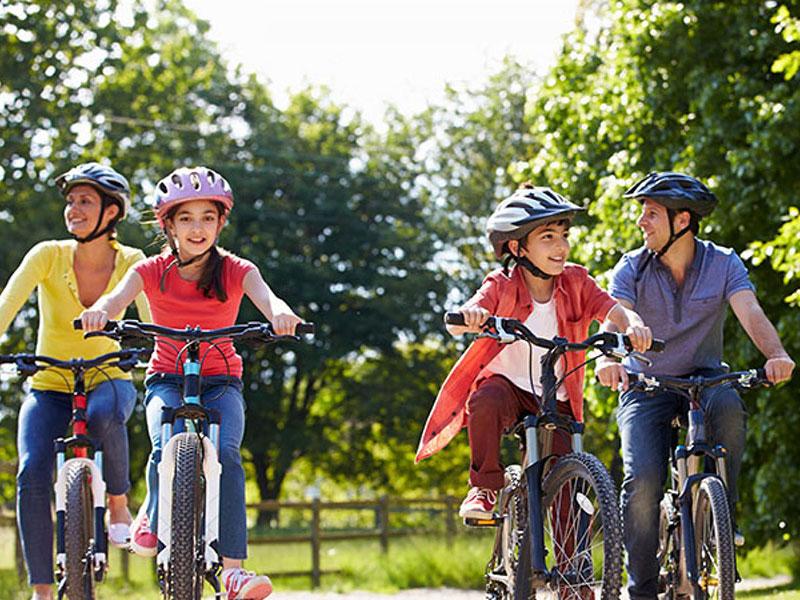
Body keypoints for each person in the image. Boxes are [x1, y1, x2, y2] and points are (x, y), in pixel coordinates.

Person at [81, 166, 304, 600]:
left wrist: (281, 314)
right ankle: (152, 511)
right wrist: (102, 312)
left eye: (207, 217)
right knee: (165, 443)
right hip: (166, 378)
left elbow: (268, 297)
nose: (197, 228)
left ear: (221, 222)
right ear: (168, 225)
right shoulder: (149, 270)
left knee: (226, 454)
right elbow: (115, 299)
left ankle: (234, 571)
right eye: (186, 218)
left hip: (222, 381)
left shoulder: (238, 270)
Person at [595, 171, 795, 600]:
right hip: (646, 383)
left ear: (681, 220)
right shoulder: (631, 267)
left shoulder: (722, 263)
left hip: (705, 379)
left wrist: (775, 356)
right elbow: (616, 317)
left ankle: (721, 516)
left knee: (729, 408)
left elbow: (751, 311)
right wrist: (611, 360)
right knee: (644, 481)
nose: (641, 222)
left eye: (651, 214)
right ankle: (642, 588)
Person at [415, 184, 653, 519]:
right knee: (485, 399)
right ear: (518, 247)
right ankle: (484, 487)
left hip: (555, 396)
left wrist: (633, 323)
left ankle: (574, 566)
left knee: (568, 486)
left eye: (564, 235)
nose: (562, 246)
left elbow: (612, 309)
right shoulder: (500, 285)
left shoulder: (576, 282)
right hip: (509, 389)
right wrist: (472, 316)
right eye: (548, 237)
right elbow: (458, 321)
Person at [0, 162, 150, 600]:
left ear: (111, 212)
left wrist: (159, 357)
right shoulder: (47, 254)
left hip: (108, 377)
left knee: (105, 415)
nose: (73, 209)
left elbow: (153, 322)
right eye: (70, 201)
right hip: (49, 382)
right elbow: (7, 304)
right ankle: (43, 590)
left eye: (85, 201)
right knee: (31, 471)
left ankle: (118, 503)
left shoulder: (133, 262)